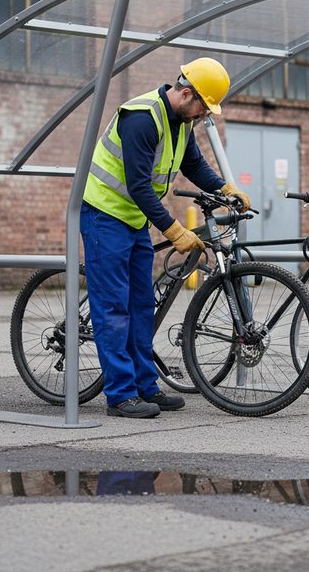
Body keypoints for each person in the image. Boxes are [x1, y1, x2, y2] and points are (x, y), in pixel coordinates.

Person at [81, 58, 251, 418]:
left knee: (142, 306)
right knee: (114, 309)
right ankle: (121, 395)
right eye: (204, 107)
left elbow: (193, 165)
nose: (205, 115)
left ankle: (146, 387)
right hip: (104, 216)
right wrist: (174, 230)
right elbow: (139, 185)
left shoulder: (181, 122)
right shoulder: (142, 118)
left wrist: (223, 187)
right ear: (187, 93)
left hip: (134, 219)